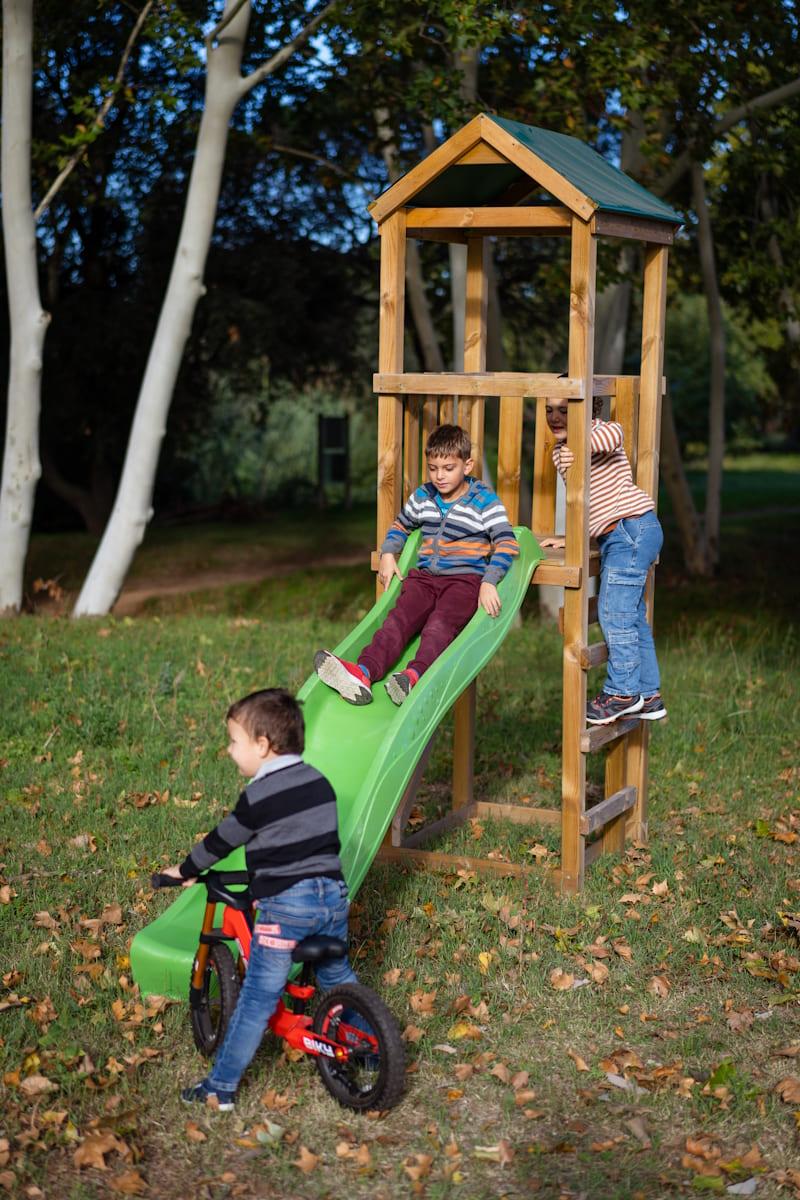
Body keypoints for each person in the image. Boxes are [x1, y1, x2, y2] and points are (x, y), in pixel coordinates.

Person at [159, 688, 357, 1110]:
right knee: (337, 977)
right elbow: (306, 844)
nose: (229, 750)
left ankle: (220, 1087)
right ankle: (371, 1045)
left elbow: (221, 841)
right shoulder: (320, 783)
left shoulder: (258, 796)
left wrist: (184, 870)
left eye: (234, 741)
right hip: (333, 898)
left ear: (263, 746)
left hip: (288, 908)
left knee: (255, 1000)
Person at [314, 424, 519, 706]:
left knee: (439, 626)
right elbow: (402, 524)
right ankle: (363, 673)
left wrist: (489, 581)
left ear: (467, 465)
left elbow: (507, 542)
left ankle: (413, 676)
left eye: (448, 468)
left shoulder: (484, 500)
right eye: (433, 468)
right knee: (397, 622)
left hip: (464, 581)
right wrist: (388, 553)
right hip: (424, 578)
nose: (439, 476)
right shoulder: (424, 496)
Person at [540, 398, 666, 726]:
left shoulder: (603, 431)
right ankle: (648, 694)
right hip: (618, 535)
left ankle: (622, 691)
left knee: (614, 614)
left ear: (589, 411)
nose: (555, 417)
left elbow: (614, 437)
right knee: (633, 617)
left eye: (565, 410)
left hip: (632, 529)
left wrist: (578, 446)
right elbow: (586, 503)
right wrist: (572, 538)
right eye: (549, 410)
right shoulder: (560, 452)